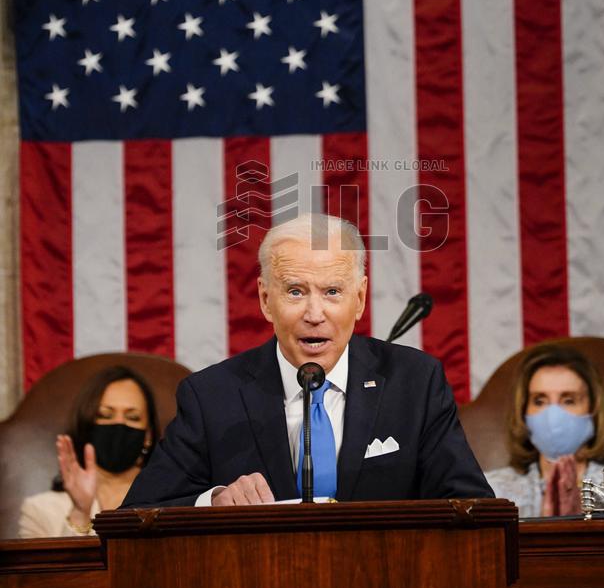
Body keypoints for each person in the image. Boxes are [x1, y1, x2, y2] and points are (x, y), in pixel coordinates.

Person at [124, 213, 493, 507]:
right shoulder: (211, 397)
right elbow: (140, 514)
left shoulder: (414, 383)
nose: (314, 314)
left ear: (360, 299)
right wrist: (213, 500)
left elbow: (471, 506)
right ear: (266, 300)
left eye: (332, 292)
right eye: (295, 291)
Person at [485, 344, 604, 517]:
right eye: (539, 401)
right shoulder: (491, 492)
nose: (553, 416)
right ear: (523, 411)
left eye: (568, 400)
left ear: (594, 409)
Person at [19, 366, 159, 537]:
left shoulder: (168, 502)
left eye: (132, 418)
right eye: (105, 416)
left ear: (148, 436)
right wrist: (80, 513)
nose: (119, 424)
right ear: (87, 428)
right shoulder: (39, 511)